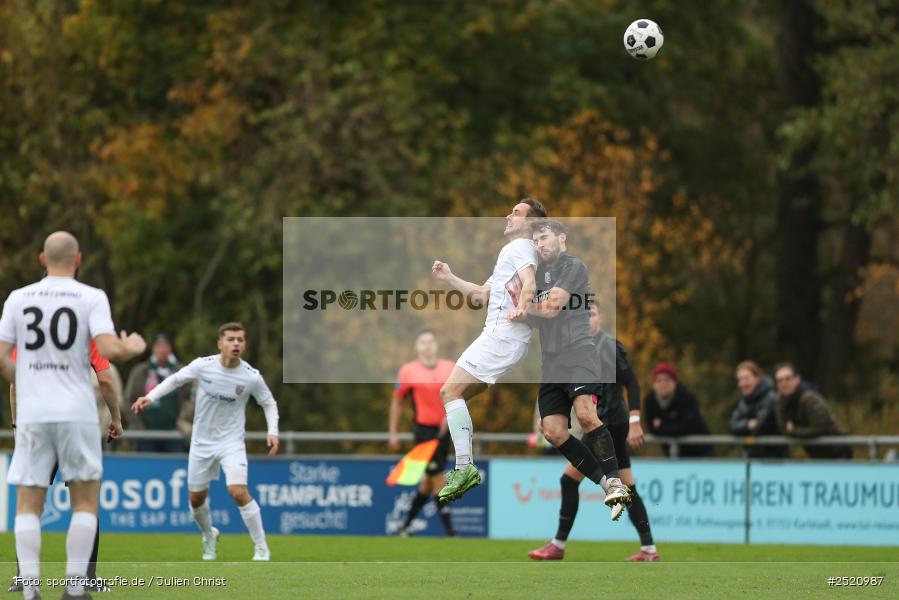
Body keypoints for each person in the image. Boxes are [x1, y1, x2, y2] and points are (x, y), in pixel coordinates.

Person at [0, 231, 146, 600]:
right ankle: (76, 589)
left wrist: (32, 382)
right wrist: (131, 346)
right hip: (77, 414)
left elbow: (3, 357)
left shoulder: (18, 299)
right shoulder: (90, 297)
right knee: (84, 502)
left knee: (29, 504)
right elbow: (109, 353)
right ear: (78, 258)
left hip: (34, 413)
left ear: (41, 259)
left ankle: (29, 589)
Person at [525, 228, 644, 559]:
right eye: (535, 240)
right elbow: (532, 311)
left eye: (545, 237)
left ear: (562, 238)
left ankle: (618, 501)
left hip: (581, 363)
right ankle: (611, 488)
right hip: (551, 363)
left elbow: (548, 308)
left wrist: (523, 301)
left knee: (585, 415)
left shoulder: (573, 266)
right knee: (551, 430)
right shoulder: (534, 272)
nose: (539, 244)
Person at [132, 322, 279, 561]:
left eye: (240, 340)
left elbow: (268, 402)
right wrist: (150, 397)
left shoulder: (251, 376)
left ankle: (261, 547)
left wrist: (272, 431)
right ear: (220, 343)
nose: (236, 344)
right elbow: (175, 379)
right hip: (201, 443)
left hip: (231, 443)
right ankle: (209, 536)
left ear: (244, 344)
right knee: (196, 499)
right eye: (230, 339)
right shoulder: (203, 366)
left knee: (237, 491)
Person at [429, 198, 544, 502]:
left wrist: (521, 308)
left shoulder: (519, 247)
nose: (508, 215)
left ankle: (465, 467)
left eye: (516, 213)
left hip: (500, 337)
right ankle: (464, 466)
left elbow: (530, 283)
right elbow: (481, 295)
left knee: (448, 393)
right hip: (506, 341)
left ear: (530, 224)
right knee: (456, 397)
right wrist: (449, 278)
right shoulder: (515, 252)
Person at [7, 341, 121, 594]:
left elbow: (15, 386)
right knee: (85, 505)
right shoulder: (84, 331)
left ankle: (25, 579)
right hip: (76, 425)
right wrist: (116, 419)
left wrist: (17, 428)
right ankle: (85, 578)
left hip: (36, 426)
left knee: (29, 506)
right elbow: (106, 381)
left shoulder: (28, 334)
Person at [389, 330, 456, 536]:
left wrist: (451, 414)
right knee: (437, 477)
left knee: (427, 483)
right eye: (422, 342)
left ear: (436, 345)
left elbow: (461, 393)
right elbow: (398, 401)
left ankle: (405, 525)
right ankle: (451, 532)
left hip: (446, 430)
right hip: (423, 431)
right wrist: (393, 432)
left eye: (430, 341)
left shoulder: (450, 367)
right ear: (416, 347)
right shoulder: (408, 371)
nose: (427, 346)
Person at [124, 332, 189, 452]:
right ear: (153, 348)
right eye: (158, 345)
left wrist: (183, 422)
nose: (162, 349)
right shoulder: (141, 372)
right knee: (147, 468)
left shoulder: (181, 372)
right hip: (146, 435)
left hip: (175, 434)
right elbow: (128, 400)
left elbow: (190, 399)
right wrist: (138, 427)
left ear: (171, 348)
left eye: (165, 345)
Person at [774, 362, 852, 459]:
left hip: (837, 451)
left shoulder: (809, 398)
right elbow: (784, 428)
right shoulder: (780, 400)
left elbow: (820, 428)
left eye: (787, 379)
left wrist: (794, 430)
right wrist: (791, 431)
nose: (783, 384)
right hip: (817, 454)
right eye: (779, 381)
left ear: (797, 379)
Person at [644, 362, 714, 458]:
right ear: (654, 384)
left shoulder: (686, 397)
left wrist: (662, 426)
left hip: (701, 452)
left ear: (674, 382)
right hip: (672, 455)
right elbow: (652, 429)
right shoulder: (650, 400)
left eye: (667, 380)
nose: (663, 384)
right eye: (658, 381)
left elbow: (689, 427)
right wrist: (675, 426)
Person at [729, 360, 788, 458]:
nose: (742, 383)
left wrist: (744, 426)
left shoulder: (771, 398)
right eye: (740, 379)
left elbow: (759, 427)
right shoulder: (744, 401)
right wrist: (748, 424)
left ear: (758, 378)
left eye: (746, 378)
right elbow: (732, 426)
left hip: (775, 460)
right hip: (752, 458)